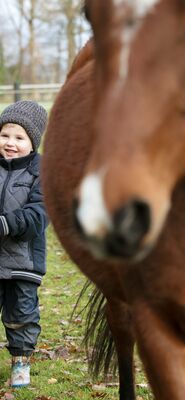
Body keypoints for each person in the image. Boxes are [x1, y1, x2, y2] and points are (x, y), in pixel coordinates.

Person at [0, 100, 48, 388]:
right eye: (4, 135)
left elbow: (39, 215)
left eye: (19, 137)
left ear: (33, 142)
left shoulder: (42, 173)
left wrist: (6, 224)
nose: (10, 143)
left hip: (23, 262)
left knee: (21, 315)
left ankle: (20, 360)